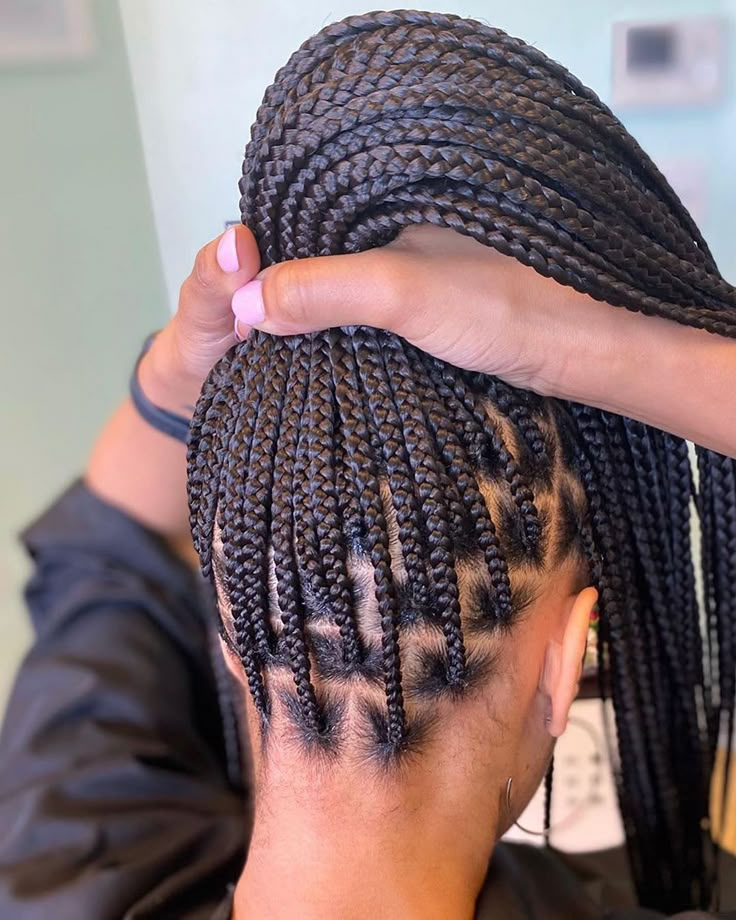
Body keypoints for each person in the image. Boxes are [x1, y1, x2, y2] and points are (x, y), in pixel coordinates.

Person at [2, 10, 736, 920]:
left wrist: (174, 370)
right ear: (567, 664)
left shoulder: (72, 867)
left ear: (232, 634)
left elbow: (103, 551)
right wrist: (588, 346)